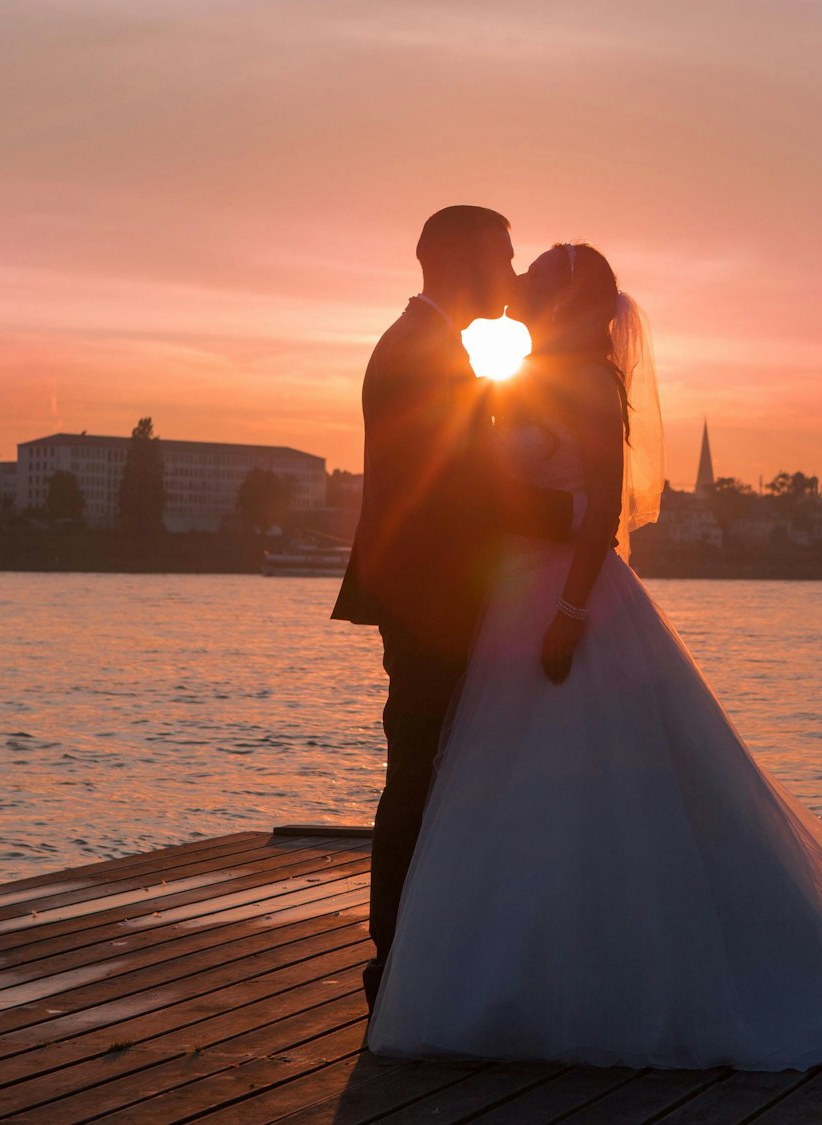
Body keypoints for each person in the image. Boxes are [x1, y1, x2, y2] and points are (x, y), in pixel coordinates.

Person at [363, 242, 822, 1069]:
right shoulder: (527, 380)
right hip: (510, 599)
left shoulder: (584, 383)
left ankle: (595, 986)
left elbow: (600, 510)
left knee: (582, 792)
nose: (522, 285)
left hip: (564, 602)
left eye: (540, 278)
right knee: (509, 794)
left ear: (575, 304)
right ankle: (513, 979)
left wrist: (572, 610)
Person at [331, 206, 578, 1006]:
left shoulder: (432, 346)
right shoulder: (419, 354)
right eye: (501, 259)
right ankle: (395, 960)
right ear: (455, 260)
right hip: (427, 599)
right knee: (418, 776)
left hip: (439, 595)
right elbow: (463, 488)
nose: (510, 276)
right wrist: (572, 518)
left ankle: (416, 955)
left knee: (431, 773)